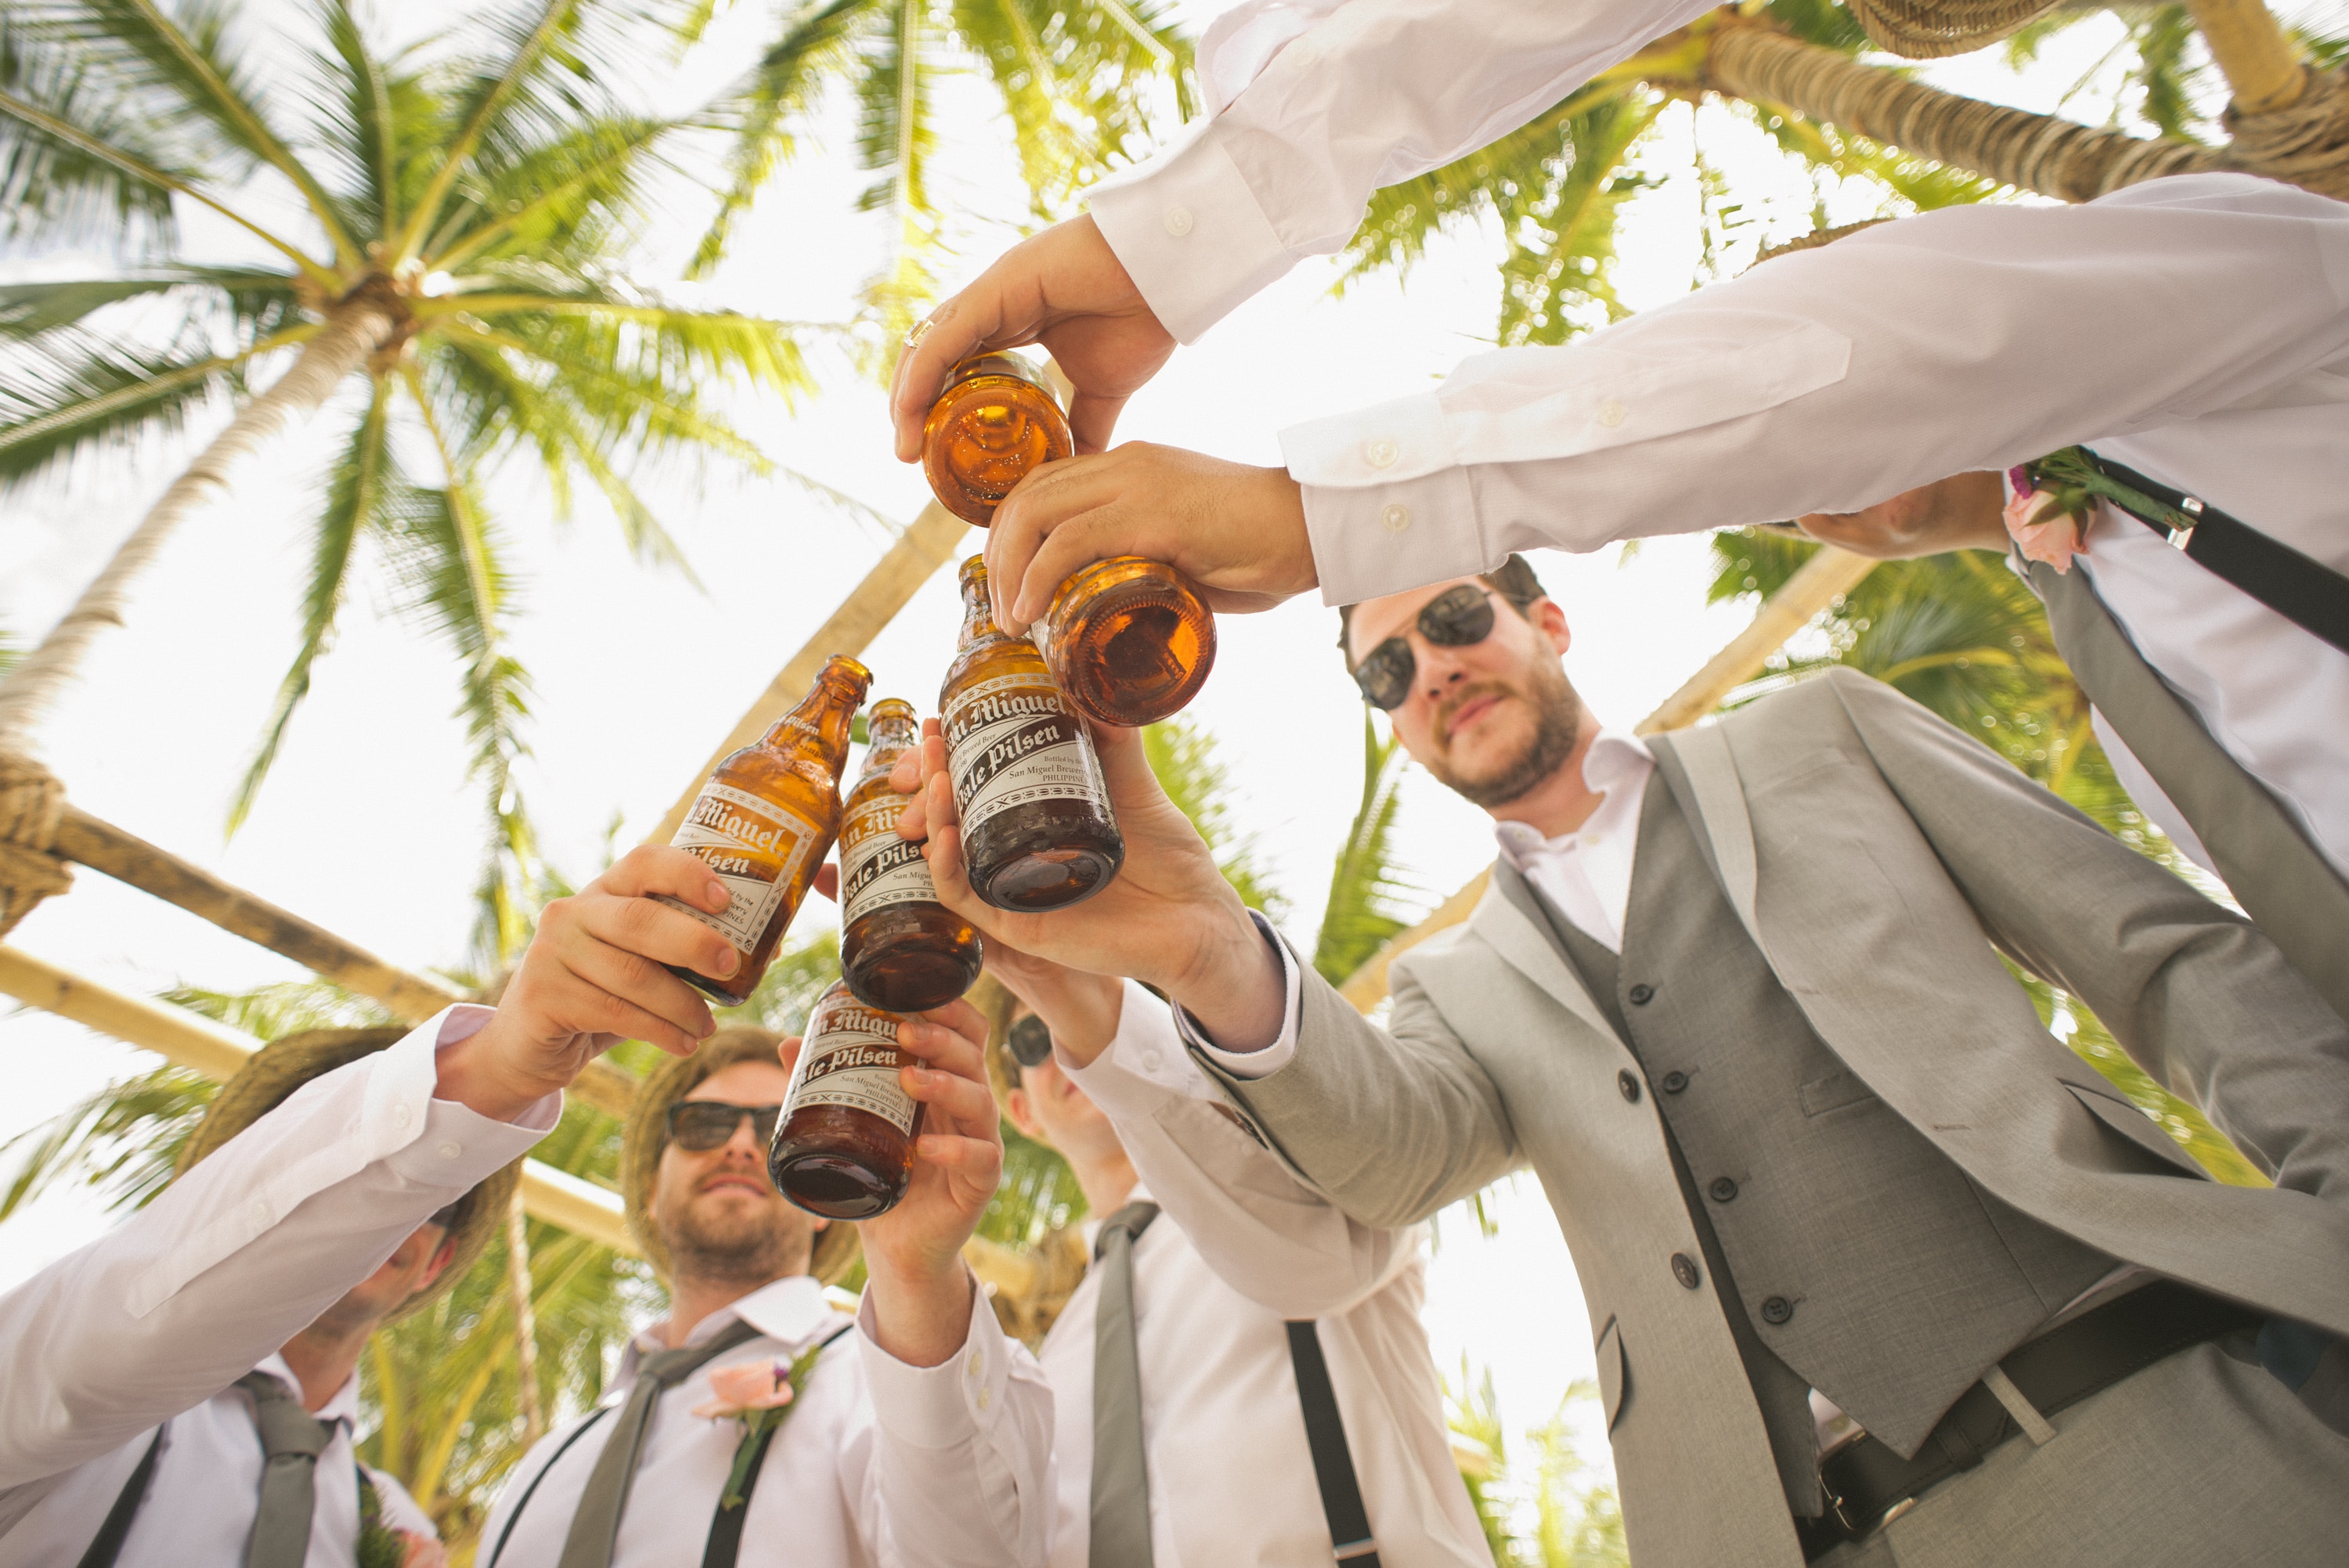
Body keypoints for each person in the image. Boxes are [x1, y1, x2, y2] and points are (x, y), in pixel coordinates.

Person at [883, 0, 2349, 1014]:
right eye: (1386, 663)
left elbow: (1889, 347)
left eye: (1448, 620)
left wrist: (1318, 506)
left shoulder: (2257, 282)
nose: (1803, 486)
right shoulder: (2105, 600)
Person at [889, 558, 2349, 1566]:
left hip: (2155, 1425)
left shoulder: (1819, 731)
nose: (1434, 668)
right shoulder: (1458, 985)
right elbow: (1385, 1161)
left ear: (1548, 616)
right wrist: (1205, 944)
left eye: (1455, 614)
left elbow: (2158, 956)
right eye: (1388, 668)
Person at [0, 842, 754, 1565]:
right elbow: (115, 1323)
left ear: (440, 1261)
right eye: (384, 1177)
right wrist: (483, 1072)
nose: (397, 1212)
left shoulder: (391, 1521)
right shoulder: (69, 1406)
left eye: (437, 1201)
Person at [475, 1006, 1052, 1568]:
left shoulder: (886, 1383)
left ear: (823, 1200)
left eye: (777, 1128)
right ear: (650, 1187)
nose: (740, 1145)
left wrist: (915, 1274)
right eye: (705, 1125)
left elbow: (977, 1550)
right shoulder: (545, 1463)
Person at [967, 980, 1489, 1567]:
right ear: (1022, 1115)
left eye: (1091, 985)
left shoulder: (1306, 1184)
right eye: (1034, 1036)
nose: (1066, 1026)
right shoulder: (1050, 1356)